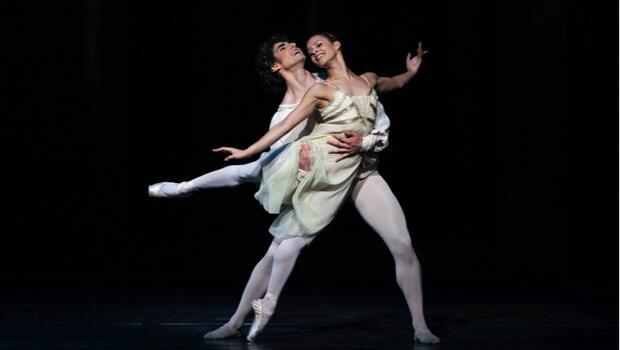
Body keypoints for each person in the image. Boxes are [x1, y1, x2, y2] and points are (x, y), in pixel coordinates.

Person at [149, 33, 439, 344]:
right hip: (315, 170)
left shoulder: (343, 81)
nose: (303, 48)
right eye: (287, 48)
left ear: (336, 45)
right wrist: (256, 152)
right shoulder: (304, 98)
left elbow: (383, 102)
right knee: (254, 173)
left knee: (397, 244)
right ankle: (186, 188)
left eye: (313, 45)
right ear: (276, 66)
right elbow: (281, 134)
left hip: (359, 171)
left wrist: (411, 72)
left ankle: (420, 326)